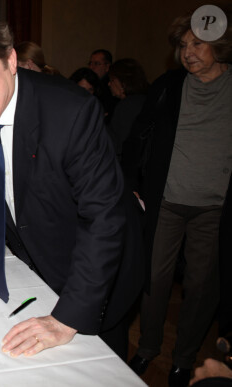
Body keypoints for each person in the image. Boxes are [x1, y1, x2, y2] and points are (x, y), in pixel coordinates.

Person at [0, 14, 143, 360]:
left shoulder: (71, 110)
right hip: (38, 259)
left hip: (97, 268)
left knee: (99, 363)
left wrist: (67, 318)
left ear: (10, 60)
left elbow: (103, 219)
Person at [124, 7, 232, 387]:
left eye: (198, 44)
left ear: (219, 45)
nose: (188, 52)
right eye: (184, 45)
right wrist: (132, 179)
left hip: (214, 209)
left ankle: (184, 359)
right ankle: (148, 349)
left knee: (202, 289)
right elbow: (139, 132)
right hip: (167, 201)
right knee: (154, 280)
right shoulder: (169, 84)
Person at [106, 58, 148, 158]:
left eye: (112, 80)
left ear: (123, 83)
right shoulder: (143, 100)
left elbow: (119, 145)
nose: (109, 84)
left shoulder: (127, 106)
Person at [89, 49, 119, 123]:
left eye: (96, 63)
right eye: (90, 63)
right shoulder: (93, 82)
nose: (91, 67)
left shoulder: (110, 86)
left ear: (107, 67)